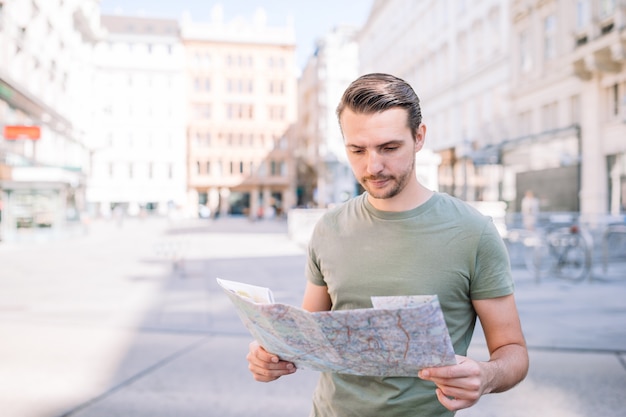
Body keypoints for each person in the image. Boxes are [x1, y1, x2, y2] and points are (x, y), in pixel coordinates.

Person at [247, 73, 528, 416]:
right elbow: (310, 336)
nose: (373, 166)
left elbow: (513, 351)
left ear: (419, 137)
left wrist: (487, 375)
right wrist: (271, 355)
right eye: (357, 150)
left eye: (389, 148)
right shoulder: (329, 228)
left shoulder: (474, 233)